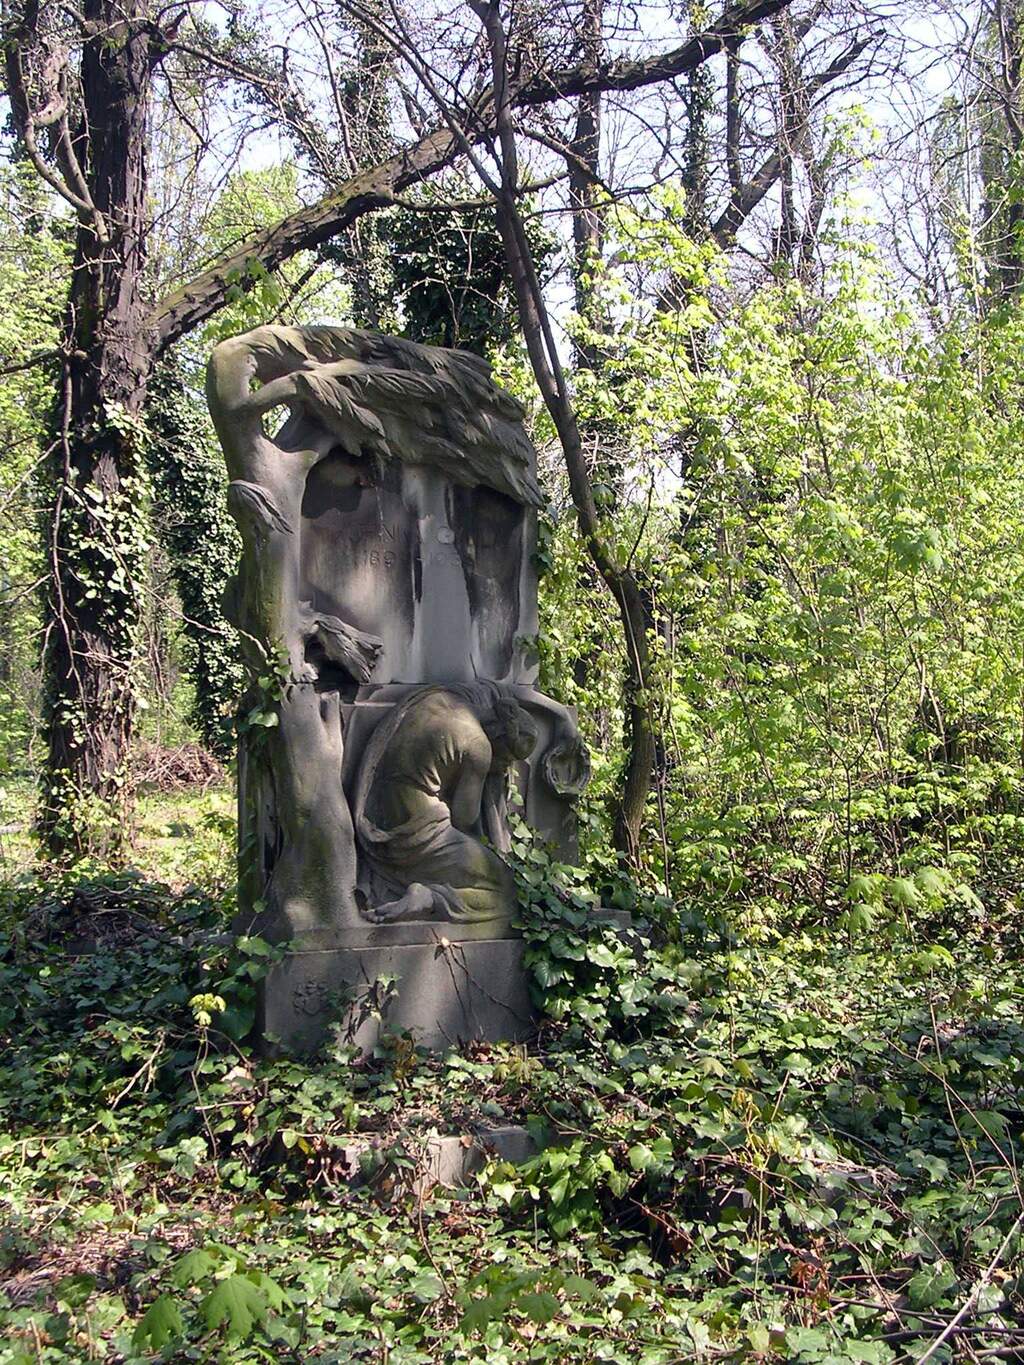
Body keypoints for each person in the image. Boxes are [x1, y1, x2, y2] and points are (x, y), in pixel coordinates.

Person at [353, 684, 538, 923]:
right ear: (500, 737)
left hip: (376, 808)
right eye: (507, 758)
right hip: (417, 834)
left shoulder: (441, 699)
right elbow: (465, 819)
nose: (505, 767)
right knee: (510, 891)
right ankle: (431, 899)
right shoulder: (479, 746)